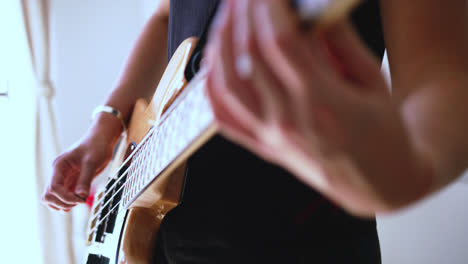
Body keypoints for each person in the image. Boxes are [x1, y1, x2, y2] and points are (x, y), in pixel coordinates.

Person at [41, 0, 468, 263]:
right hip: (162, 240)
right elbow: (165, 15)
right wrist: (108, 121)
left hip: (296, 243)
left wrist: (395, 176)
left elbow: (446, 91)